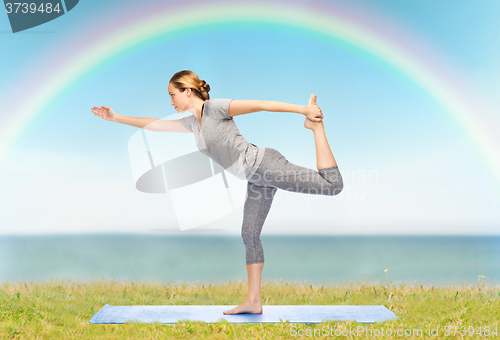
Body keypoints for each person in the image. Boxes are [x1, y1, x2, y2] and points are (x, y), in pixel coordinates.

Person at [91, 70, 343, 315]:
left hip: (266, 165)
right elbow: (156, 125)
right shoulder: (193, 123)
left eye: (172, 94)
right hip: (255, 179)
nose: (170, 101)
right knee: (249, 233)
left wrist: (305, 110)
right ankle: (253, 302)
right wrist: (117, 118)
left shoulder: (216, 109)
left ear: (187, 91)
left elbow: (261, 104)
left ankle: (315, 128)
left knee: (332, 185)